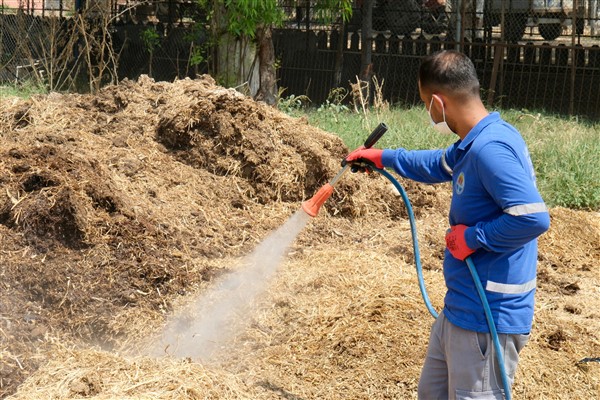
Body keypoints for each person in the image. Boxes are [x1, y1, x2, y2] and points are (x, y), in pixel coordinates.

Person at [345, 50, 550, 399]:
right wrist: (383, 157)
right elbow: (438, 164)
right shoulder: (475, 142)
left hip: (488, 319)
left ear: (438, 103)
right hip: (461, 308)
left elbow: (532, 217)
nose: (429, 112)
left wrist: (473, 237)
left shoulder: (490, 149)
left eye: (427, 104)